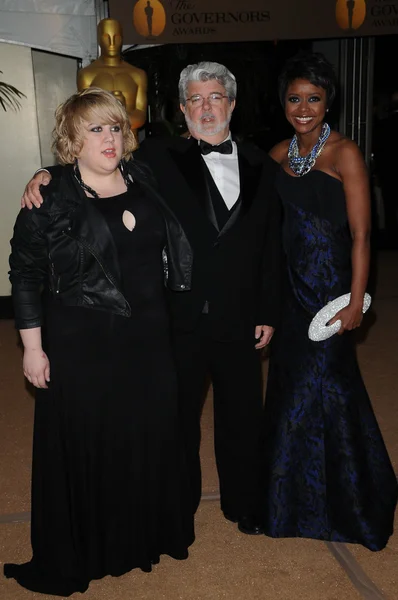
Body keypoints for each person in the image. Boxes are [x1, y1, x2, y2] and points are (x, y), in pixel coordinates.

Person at [21, 62, 282, 536]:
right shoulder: (157, 158)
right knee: (174, 420)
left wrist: (266, 309)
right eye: (196, 99)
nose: (207, 107)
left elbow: (269, 245)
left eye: (216, 97)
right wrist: (44, 174)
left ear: (232, 104)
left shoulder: (263, 165)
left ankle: (246, 504)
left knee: (244, 415)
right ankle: (174, 508)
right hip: (175, 316)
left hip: (240, 315)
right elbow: (94, 160)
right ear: (183, 109)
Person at [4, 88, 194, 596]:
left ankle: (138, 539)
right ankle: (89, 548)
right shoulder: (49, 196)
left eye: (115, 127)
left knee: (146, 437)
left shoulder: (143, 176)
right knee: (90, 443)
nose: (109, 138)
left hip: (149, 338)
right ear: (72, 138)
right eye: (95, 129)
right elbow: (24, 274)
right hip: (82, 340)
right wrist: (32, 346)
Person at [262, 52, 397, 551]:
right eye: (294, 98)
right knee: (291, 388)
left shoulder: (345, 154)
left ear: (327, 102)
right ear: (283, 103)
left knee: (330, 389)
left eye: (313, 99)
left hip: (333, 293)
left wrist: (358, 301)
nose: (303, 108)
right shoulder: (277, 156)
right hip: (291, 294)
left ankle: (351, 504)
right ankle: (292, 502)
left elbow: (363, 235)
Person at [77, 18, 147, 142]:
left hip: (131, 144)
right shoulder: (87, 74)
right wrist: (117, 113)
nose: (112, 42)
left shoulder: (137, 74)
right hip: (100, 144)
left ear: (122, 38)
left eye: (117, 37)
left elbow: (141, 114)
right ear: (99, 39)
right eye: (106, 37)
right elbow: (84, 115)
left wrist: (116, 115)